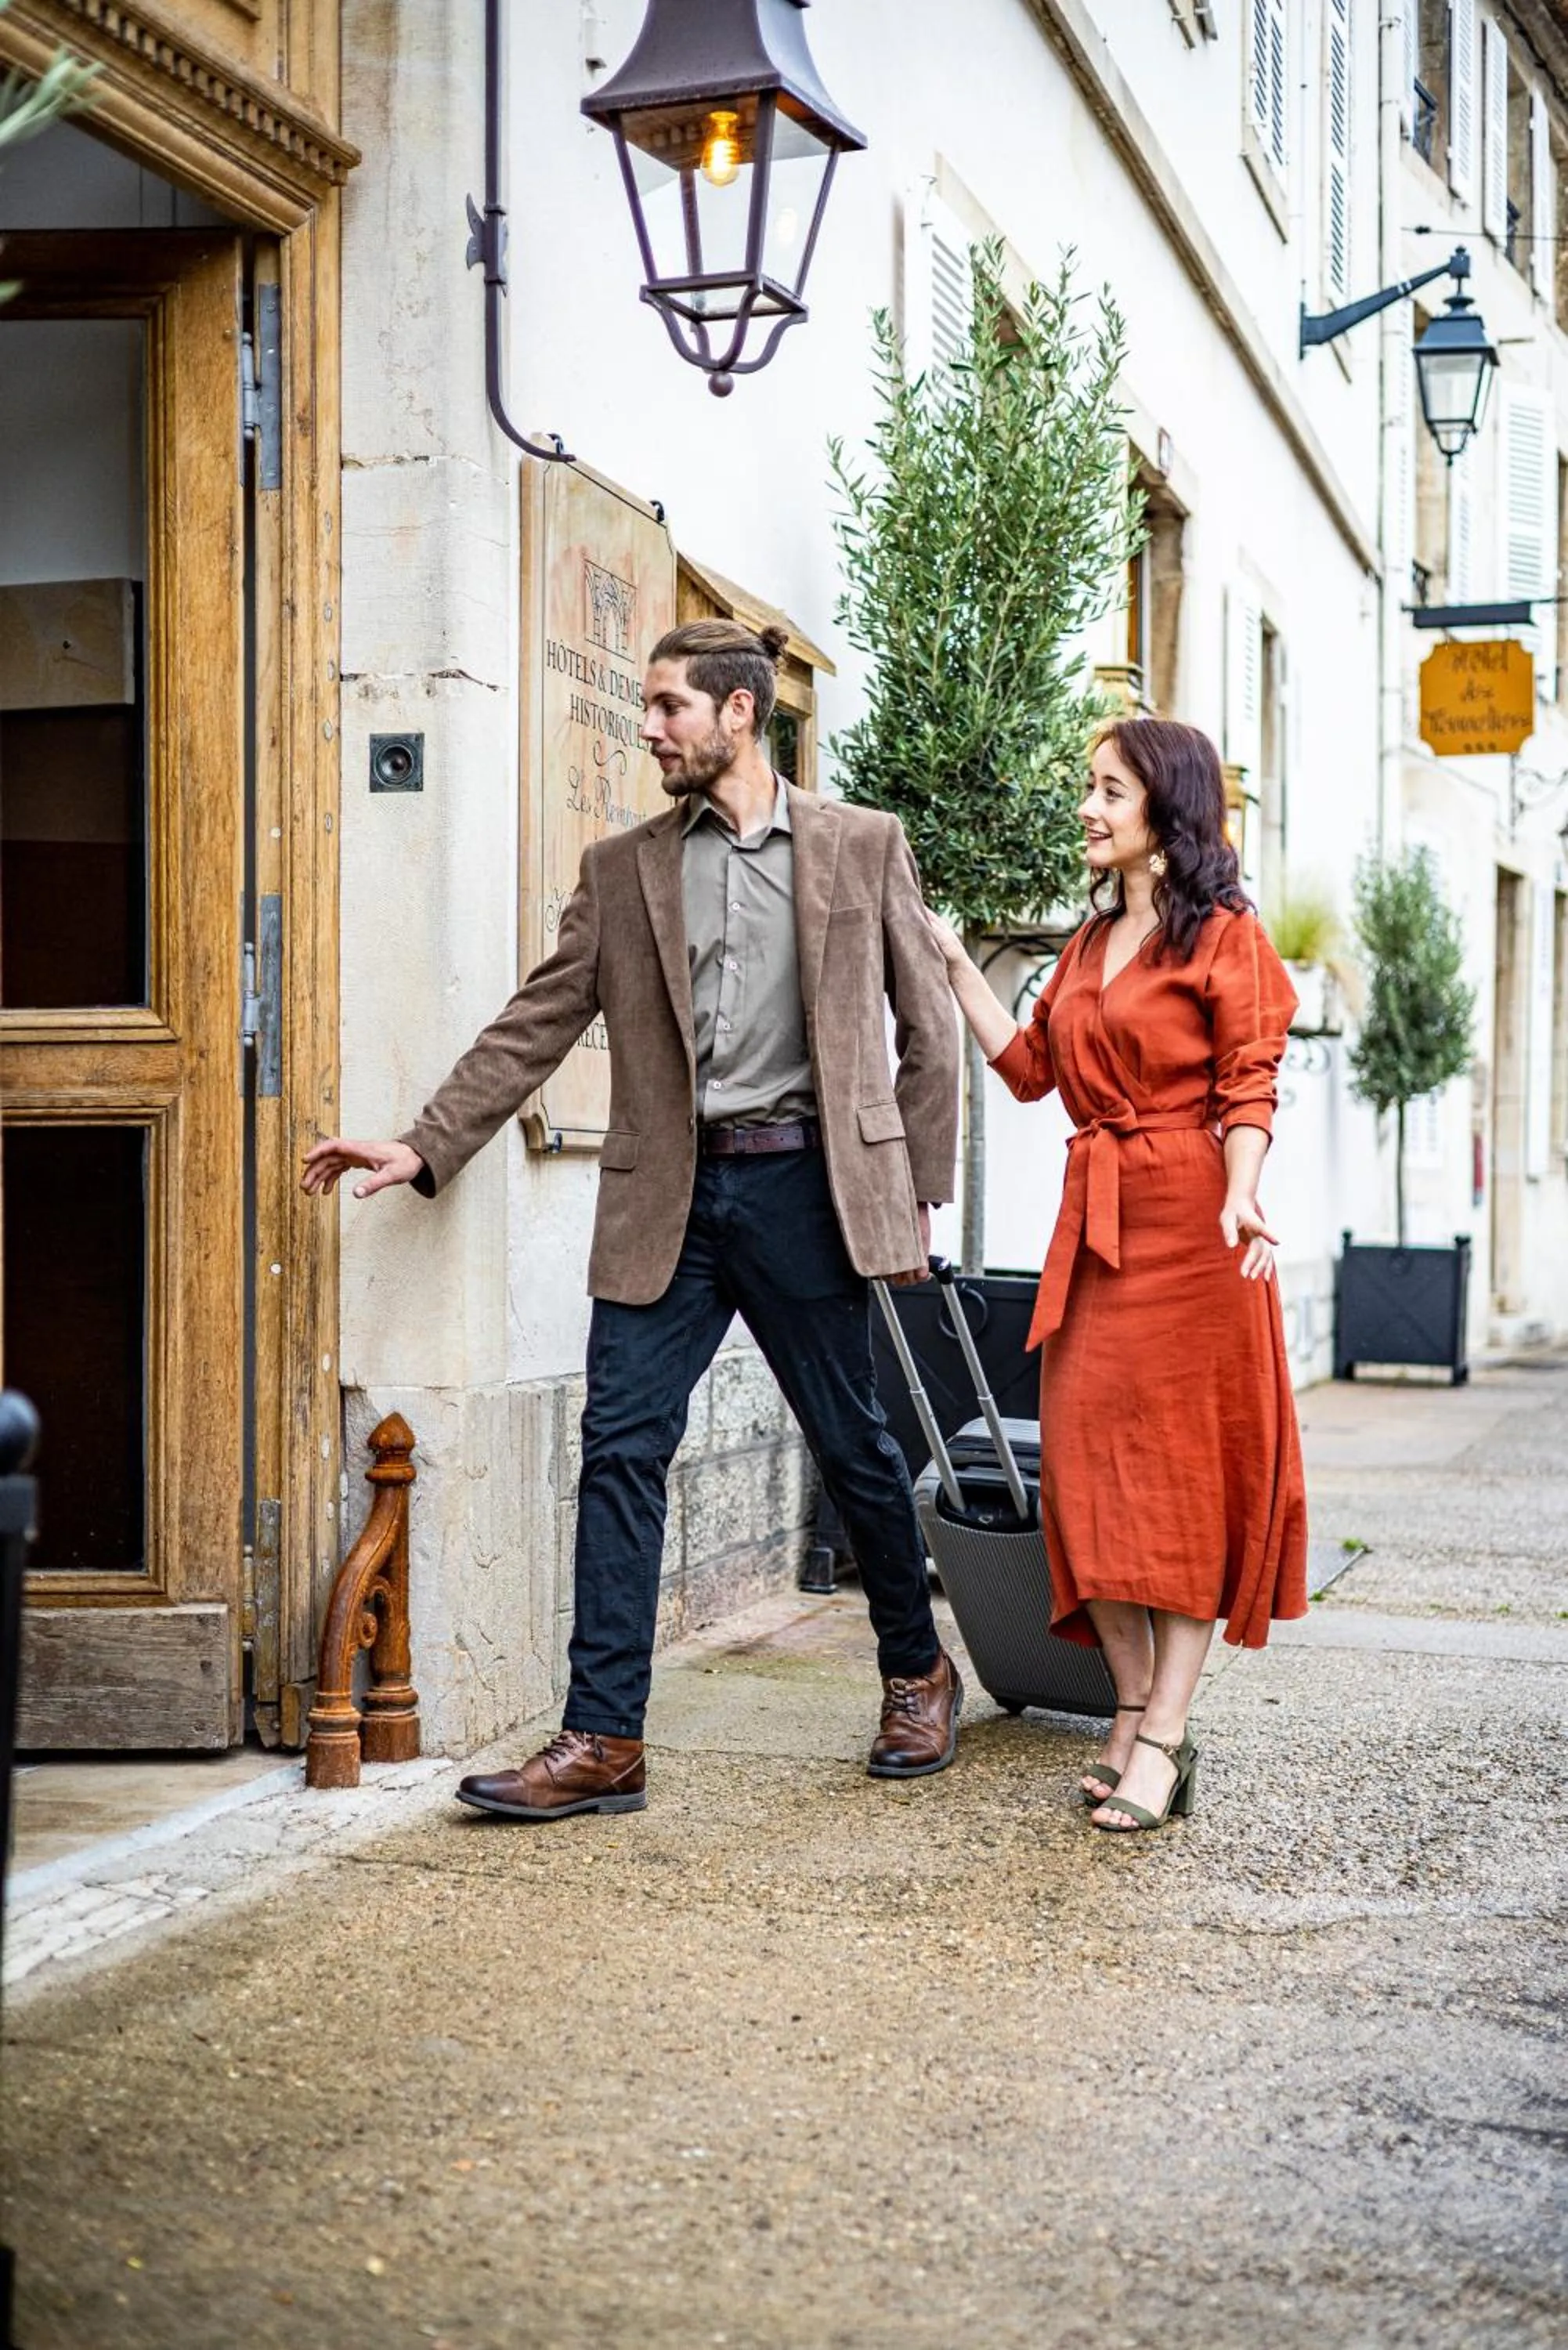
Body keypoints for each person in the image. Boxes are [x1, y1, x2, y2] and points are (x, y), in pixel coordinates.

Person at [302, 619, 963, 1820]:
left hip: (808, 1190)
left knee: (851, 1444)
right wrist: (426, 1140)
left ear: (738, 713)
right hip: (672, 1197)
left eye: (668, 707)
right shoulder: (626, 868)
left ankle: (916, 1668)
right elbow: (536, 1019)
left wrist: (914, 1192)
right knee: (619, 1453)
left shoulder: (862, 848)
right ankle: (603, 1739)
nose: (647, 728)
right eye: (647, 708)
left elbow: (929, 1028)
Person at [926, 718, 1308, 1833]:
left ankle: (1162, 1739)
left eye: (1108, 790)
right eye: (1087, 788)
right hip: (1094, 1236)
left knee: (1185, 1493)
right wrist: (955, 965)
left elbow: (1249, 1082)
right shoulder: (1088, 948)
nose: (1087, 809)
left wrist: (1241, 1191)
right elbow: (1033, 1073)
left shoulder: (1224, 936)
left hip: (1195, 1230)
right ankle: (1130, 1708)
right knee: (1090, 1489)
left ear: (1166, 810)